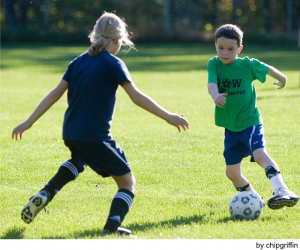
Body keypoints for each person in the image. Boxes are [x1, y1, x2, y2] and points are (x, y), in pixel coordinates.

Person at [12, 12, 189, 236]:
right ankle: (110, 231)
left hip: (71, 132)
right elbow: (136, 97)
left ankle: (47, 193)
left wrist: (28, 122)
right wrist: (168, 116)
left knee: (79, 160)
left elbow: (54, 94)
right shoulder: (113, 63)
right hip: (94, 136)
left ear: (95, 36)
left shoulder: (77, 62)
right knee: (127, 182)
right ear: (118, 40)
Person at [207, 24, 299, 210]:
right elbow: (211, 83)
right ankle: (256, 200)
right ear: (215, 46)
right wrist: (215, 95)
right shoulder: (214, 63)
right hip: (231, 127)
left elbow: (269, 68)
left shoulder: (247, 64)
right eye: (221, 48)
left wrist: (283, 80)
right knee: (232, 173)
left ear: (239, 49)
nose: (225, 53)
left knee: (259, 155)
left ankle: (281, 189)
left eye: (230, 49)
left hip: (250, 122)